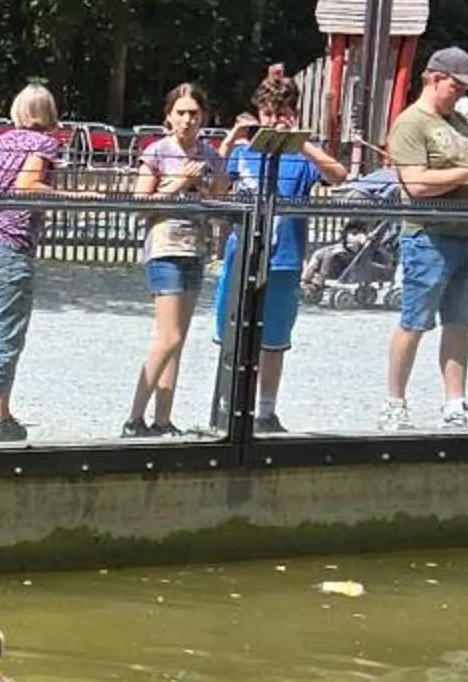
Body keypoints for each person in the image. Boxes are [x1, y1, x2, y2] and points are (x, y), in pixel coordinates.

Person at [211, 67, 347, 433]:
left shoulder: (303, 156)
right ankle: (228, 406)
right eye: (267, 114)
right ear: (258, 113)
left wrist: (300, 141)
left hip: (285, 261)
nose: (273, 122)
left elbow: (340, 175)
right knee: (232, 334)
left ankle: (266, 411)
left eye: (281, 115)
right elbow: (218, 189)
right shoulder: (244, 152)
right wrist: (230, 141)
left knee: (274, 341)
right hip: (242, 259)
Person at [382, 45, 468, 432]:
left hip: (466, 235)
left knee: (460, 322)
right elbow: (415, 183)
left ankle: (454, 403)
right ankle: (395, 403)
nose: (461, 93)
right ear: (434, 78)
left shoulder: (457, 122)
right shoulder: (412, 124)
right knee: (414, 321)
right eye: (456, 85)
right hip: (428, 237)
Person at [0, 83, 67, 444]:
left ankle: (1, 415)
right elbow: (28, 186)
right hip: (11, 249)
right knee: (6, 343)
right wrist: (70, 196)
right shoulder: (45, 144)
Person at [122, 83, 229, 438]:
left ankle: (163, 419)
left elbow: (219, 203)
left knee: (178, 340)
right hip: (165, 247)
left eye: (193, 114)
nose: (187, 120)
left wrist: (216, 177)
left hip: (194, 249)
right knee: (167, 337)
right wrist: (180, 182)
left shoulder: (210, 156)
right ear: (168, 116)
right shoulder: (157, 152)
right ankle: (134, 417)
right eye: (181, 113)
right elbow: (141, 204)